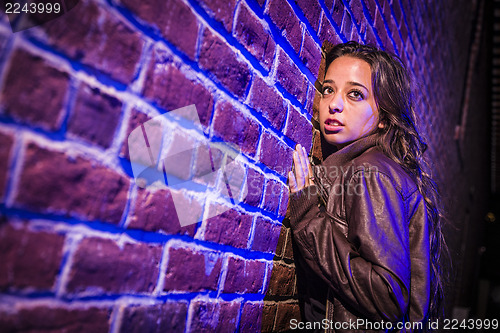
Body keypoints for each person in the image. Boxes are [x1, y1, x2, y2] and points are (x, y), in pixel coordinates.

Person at [286, 41, 445, 332]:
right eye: (328, 90)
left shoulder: (370, 172)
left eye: (355, 94)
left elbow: (387, 298)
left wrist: (308, 217)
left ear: (384, 119)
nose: (334, 104)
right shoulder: (371, 168)